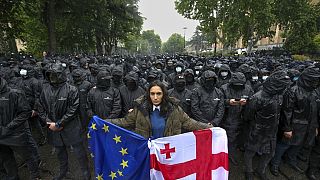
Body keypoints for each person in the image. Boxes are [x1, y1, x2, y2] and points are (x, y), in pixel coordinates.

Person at [105, 80, 212, 139]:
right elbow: (124, 122)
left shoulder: (175, 109)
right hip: (148, 152)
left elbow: (190, 123)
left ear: (164, 94)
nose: (155, 97)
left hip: (168, 154)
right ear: (148, 95)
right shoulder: (140, 109)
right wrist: (104, 122)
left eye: (158, 94)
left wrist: (211, 128)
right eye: (152, 94)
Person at [38, 63, 90, 180]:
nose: (52, 77)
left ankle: (85, 173)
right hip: (53, 128)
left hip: (71, 128)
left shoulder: (71, 89)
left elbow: (74, 109)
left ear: (61, 75)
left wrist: (59, 123)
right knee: (60, 153)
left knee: (79, 152)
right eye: (50, 75)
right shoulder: (45, 90)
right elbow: (40, 108)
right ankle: (63, 172)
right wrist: (48, 123)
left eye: (55, 75)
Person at [270, 66, 320, 176]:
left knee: (298, 145)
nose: (315, 82)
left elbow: (315, 110)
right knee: (283, 145)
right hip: (294, 124)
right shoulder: (293, 91)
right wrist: (287, 128)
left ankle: (291, 160)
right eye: (313, 80)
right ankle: (275, 163)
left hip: (308, 125)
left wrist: (315, 126)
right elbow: (287, 111)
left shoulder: (314, 92)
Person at [243, 71, 291, 180]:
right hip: (257, 130)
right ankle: (248, 170)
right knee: (250, 151)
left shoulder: (280, 95)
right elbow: (248, 115)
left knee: (270, 153)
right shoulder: (258, 97)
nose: (284, 88)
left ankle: (261, 170)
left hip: (272, 130)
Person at [0, 76, 41, 180]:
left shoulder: (15, 93)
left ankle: (35, 175)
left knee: (28, 156)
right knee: (6, 159)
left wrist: (9, 127)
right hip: (1, 136)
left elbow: (25, 113)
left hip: (16, 134)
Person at [220, 72, 254, 166]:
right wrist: (228, 102)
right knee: (231, 138)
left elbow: (254, 100)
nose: (238, 87)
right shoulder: (224, 88)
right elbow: (218, 102)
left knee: (242, 136)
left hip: (244, 116)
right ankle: (230, 155)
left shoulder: (248, 88)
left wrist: (247, 102)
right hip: (229, 117)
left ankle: (237, 149)